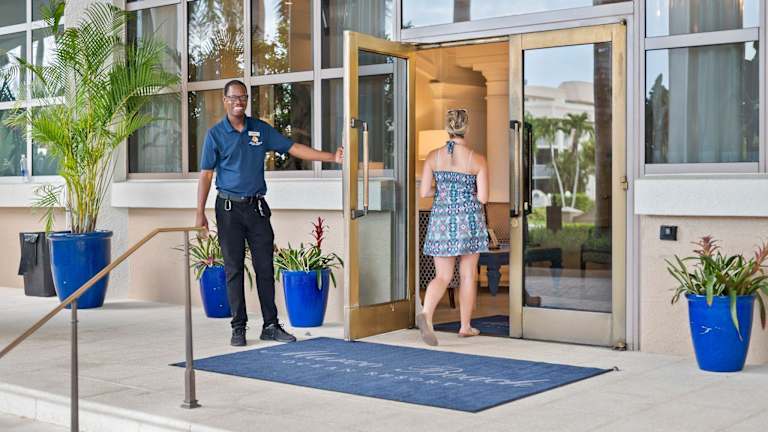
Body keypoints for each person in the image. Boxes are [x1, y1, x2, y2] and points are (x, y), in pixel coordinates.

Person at [196, 79, 343, 346]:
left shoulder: (259, 129)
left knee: (265, 267)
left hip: (257, 209)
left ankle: (271, 325)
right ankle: (238, 327)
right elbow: (206, 175)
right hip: (228, 209)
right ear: (225, 100)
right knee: (233, 269)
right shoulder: (215, 134)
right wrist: (200, 213)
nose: (239, 101)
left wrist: (331, 158)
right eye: (234, 97)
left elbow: (293, 147)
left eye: (243, 97)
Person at [417, 109, 489, 346]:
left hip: (441, 221)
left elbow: (425, 192)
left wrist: (444, 191)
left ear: (447, 129)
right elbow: (484, 198)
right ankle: (465, 326)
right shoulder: (477, 159)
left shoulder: (433, 156)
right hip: (469, 222)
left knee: (442, 276)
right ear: (466, 128)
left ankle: (426, 314)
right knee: (468, 274)